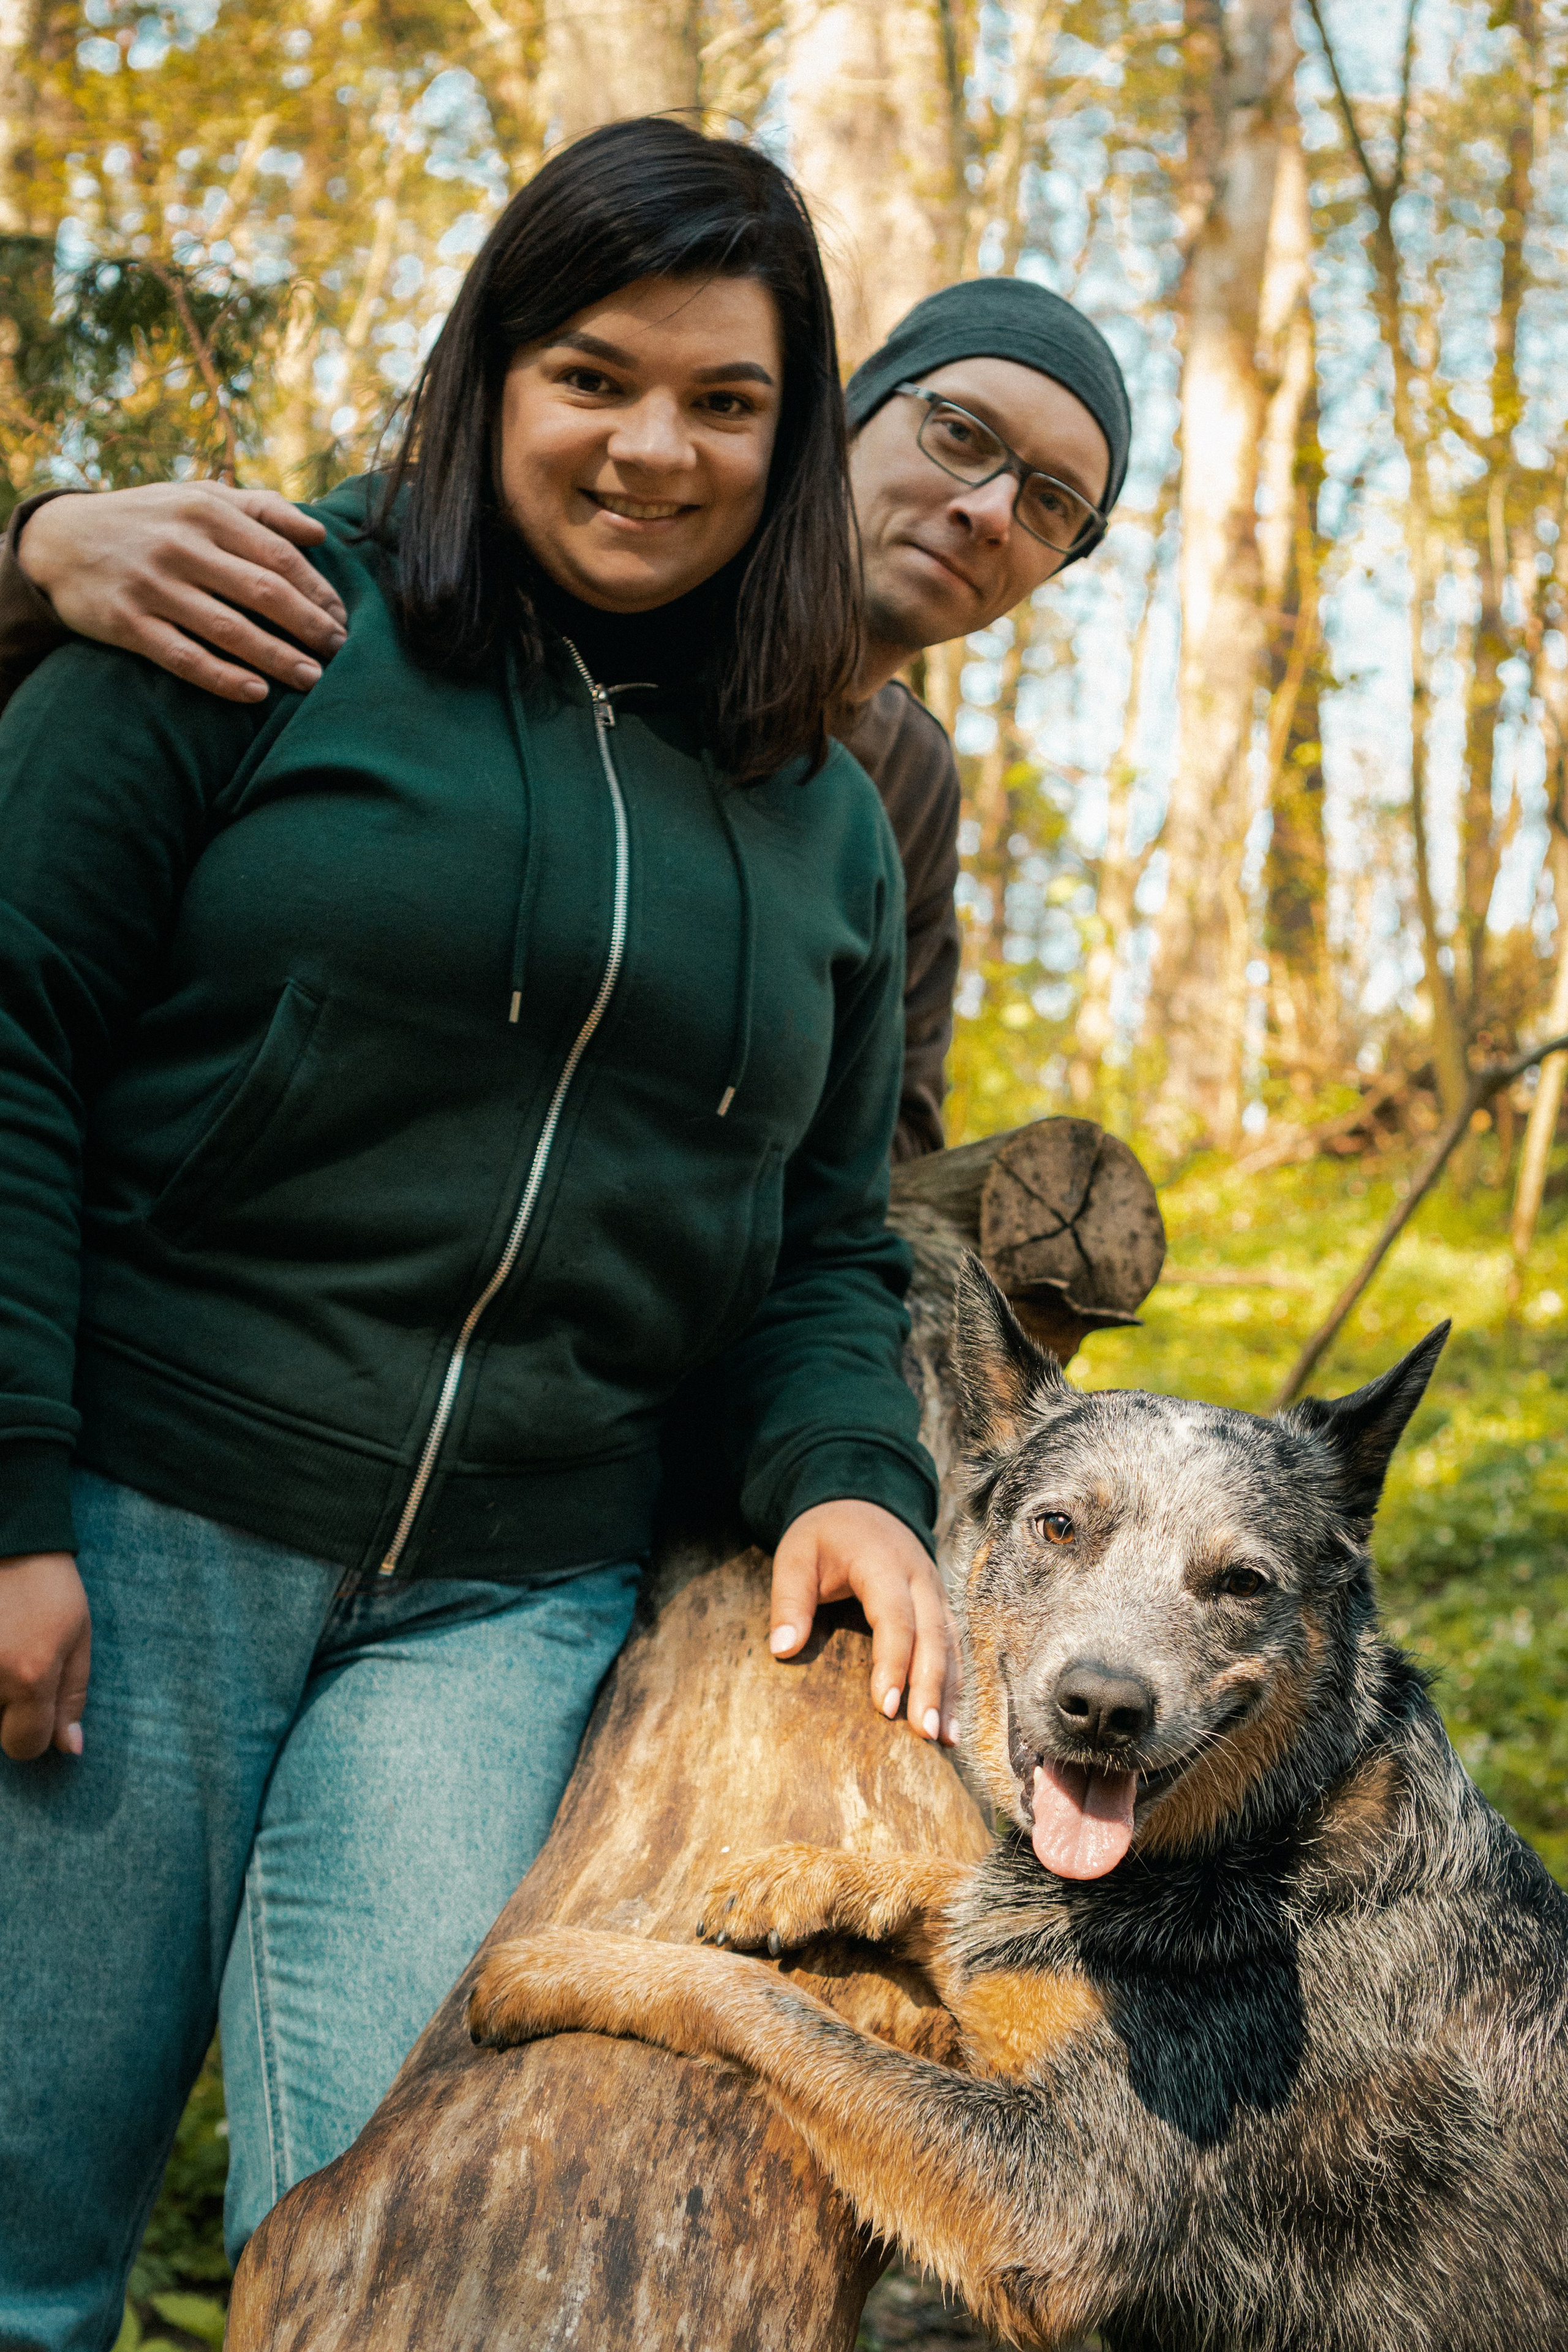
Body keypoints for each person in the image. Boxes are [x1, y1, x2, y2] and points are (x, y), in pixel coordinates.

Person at [0, 118, 956, 2339]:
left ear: (795, 439)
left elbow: (824, 1237)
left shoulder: (826, 815)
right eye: (594, 376)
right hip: (136, 1522)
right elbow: (13, 1034)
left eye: (729, 402)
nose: (657, 449)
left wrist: (848, 1473)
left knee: (432, 2275)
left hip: (505, 1606)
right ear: (488, 372)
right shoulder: (256, 610)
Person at [0, 278, 1132, 1160]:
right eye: (961, 433)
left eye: (1051, 504)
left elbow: (876, 1132)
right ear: (839, 420)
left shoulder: (903, 786)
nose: (986, 510)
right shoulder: (590, 579)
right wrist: (35, 550)